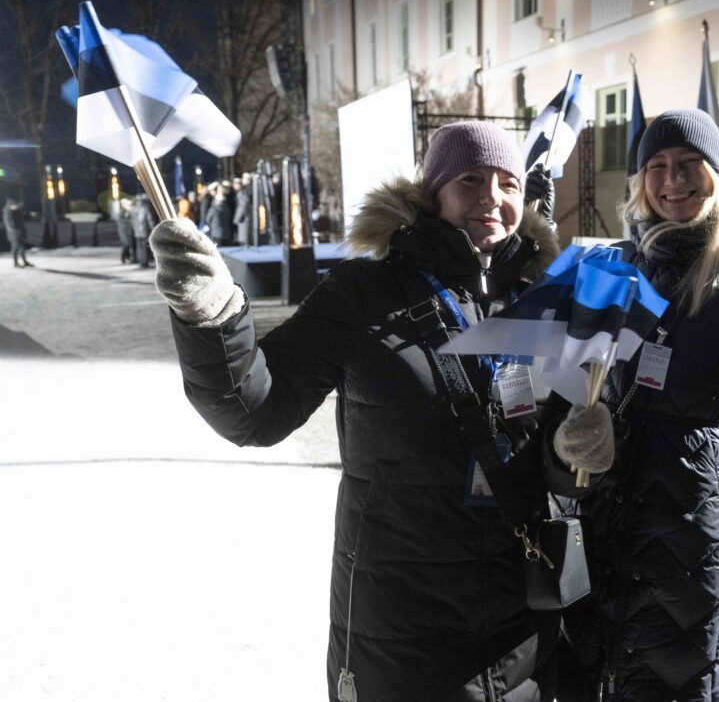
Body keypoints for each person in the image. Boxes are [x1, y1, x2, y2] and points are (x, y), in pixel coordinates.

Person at [149, 121, 576, 700]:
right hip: (399, 626)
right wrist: (215, 316)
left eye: (508, 183)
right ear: (433, 193)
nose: (491, 197)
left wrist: (577, 452)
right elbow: (256, 412)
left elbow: (562, 459)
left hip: (520, 624)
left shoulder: (546, 302)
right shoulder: (363, 292)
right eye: (471, 179)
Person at [551, 109, 719, 701]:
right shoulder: (614, 264)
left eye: (688, 163)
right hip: (599, 513)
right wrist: (570, 431)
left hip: (684, 526)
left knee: (669, 679)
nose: (672, 179)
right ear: (640, 181)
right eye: (656, 166)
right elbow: (558, 379)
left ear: (717, 175)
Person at [3, 198, 33, 268]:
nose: (16, 206)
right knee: (15, 247)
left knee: (22, 247)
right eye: (14, 205)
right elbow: (10, 225)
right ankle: (15, 263)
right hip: (14, 234)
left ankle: (24, 261)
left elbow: (21, 221)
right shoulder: (8, 214)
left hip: (20, 232)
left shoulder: (17, 212)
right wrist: (16, 231)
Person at [130, 193, 157, 269]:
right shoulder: (146, 207)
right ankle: (145, 262)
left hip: (137, 231)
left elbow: (132, 221)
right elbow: (150, 219)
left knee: (139, 247)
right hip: (144, 230)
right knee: (145, 247)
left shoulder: (135, 208)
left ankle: (141, 262)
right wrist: (153, 227)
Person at [204, 182, 234, 246]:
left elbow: (207, 220)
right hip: (226, 234)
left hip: (216, 233)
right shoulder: (227, 209)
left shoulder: (213, 209)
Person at [116, 197, 136, 264]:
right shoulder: (122, 212)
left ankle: (129, 257)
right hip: (124, 231)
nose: (129, 206)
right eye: (127, 204)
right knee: (126, 244)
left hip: (129, 231)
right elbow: (121, 222)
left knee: (130, 244)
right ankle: (123, 258)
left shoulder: (128, 211)